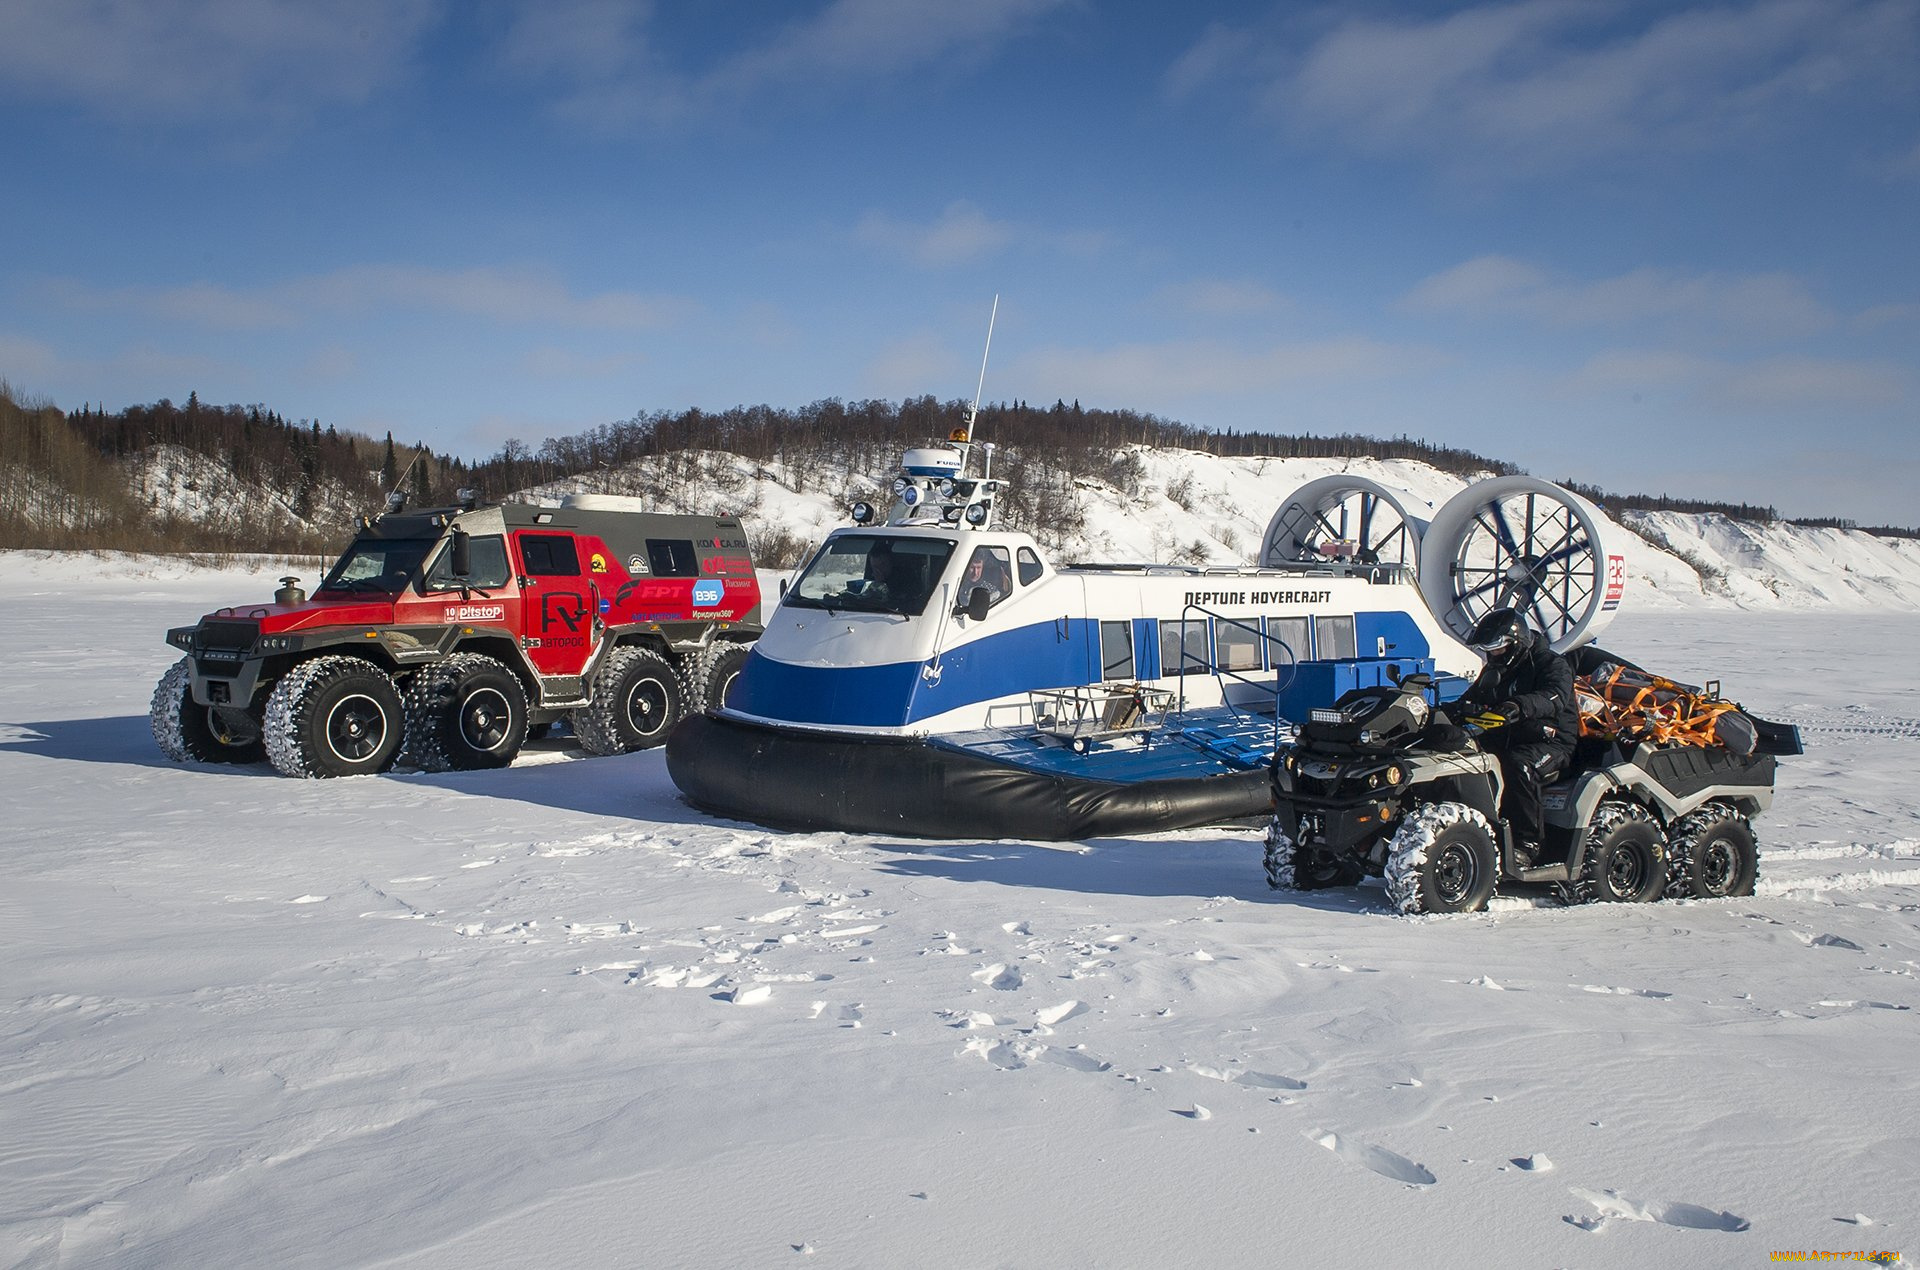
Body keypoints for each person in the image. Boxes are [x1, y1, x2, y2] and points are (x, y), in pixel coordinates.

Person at [1454, 607, 1577, 864]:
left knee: (1519, 764)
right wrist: (1455, 710)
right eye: (1489, 649)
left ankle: (1528, 843)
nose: (1493, 654)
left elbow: (1554, 696)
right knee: (1459, 758)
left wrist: (1520, 706)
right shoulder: (1495, 670)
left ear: (1516, 642)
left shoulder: (1551, 664)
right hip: (1506, 737)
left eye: (1497, 648)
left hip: (1549, 742)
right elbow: (1473, 698)